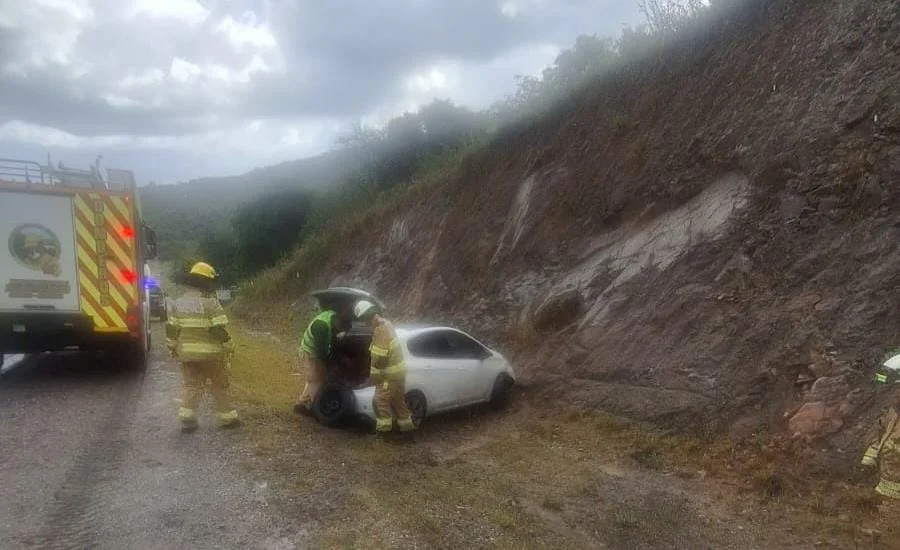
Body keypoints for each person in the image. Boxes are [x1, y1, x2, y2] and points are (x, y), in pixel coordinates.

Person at [166, 262, 238, 431]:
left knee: (191, 385)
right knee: (219, 385)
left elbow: (172, 330)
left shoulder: (178, 304)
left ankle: (187, 417)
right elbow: (218, 329)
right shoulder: (211, 303)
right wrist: (229, 345)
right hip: (212, 356)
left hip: (188, 355)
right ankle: (228, 418)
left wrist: (172, 347)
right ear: (206, 283)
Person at [354, 300, 415, 439]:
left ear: (368, 318)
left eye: (365, 321)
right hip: (398, 373)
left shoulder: (380, 330)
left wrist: (372, 374)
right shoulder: (387, 324)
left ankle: (383, 434)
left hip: (389, 375)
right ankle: (407, 431)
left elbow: (379, 358)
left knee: (380, 400)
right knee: (398, 402)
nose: (366, 325)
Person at [294, 298, 354, 414]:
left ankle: (302, 403)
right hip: (311, 350)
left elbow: (334, 341)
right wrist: (329, 363)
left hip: (319, 349)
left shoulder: (334, 320)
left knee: (316, 378)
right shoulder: (321, 325)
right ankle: (313, 407)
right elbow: (320, 351)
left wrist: (337, 358)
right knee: (316, 379)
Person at [861, 356, 900, 499]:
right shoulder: (894, 413)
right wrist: (867, 461)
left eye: (896, 389)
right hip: (885, 489)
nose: (892, 395)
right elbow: (881, 438)